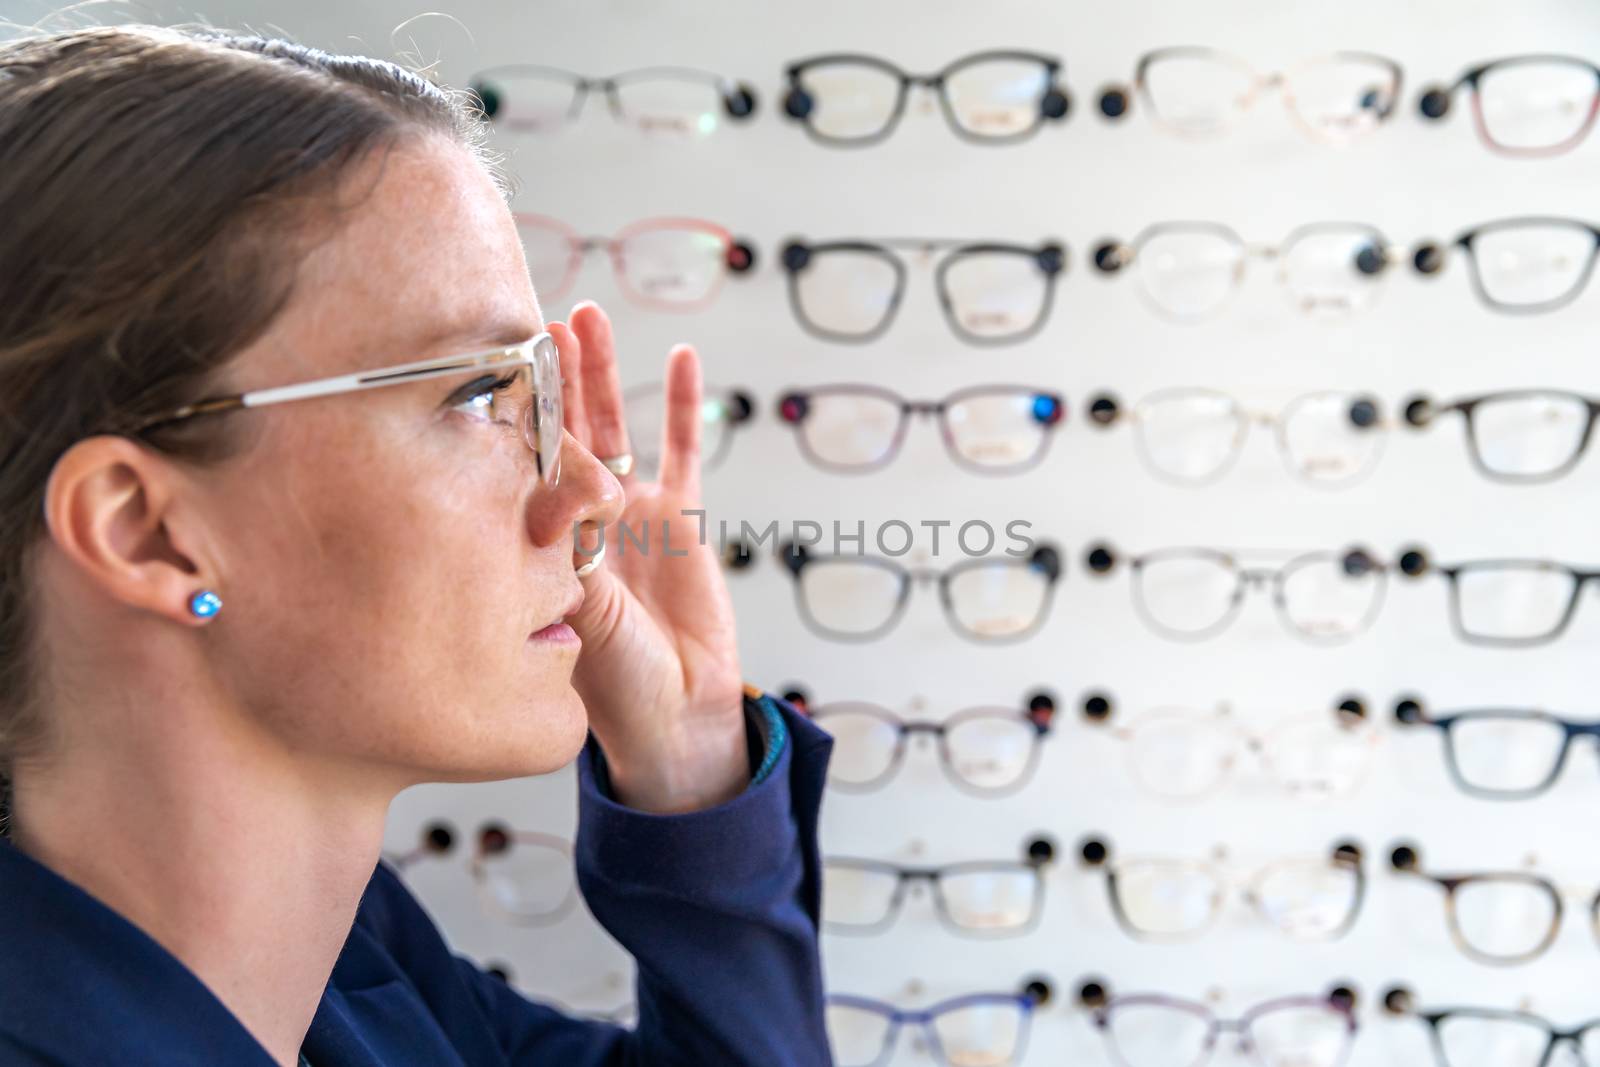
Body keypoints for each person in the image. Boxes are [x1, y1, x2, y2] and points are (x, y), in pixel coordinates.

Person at [0, 23, 832, 1067]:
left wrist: (690, 759)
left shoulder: (360, 978)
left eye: (539, 389)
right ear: (148, 531)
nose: (587, 492)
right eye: (479, 391)